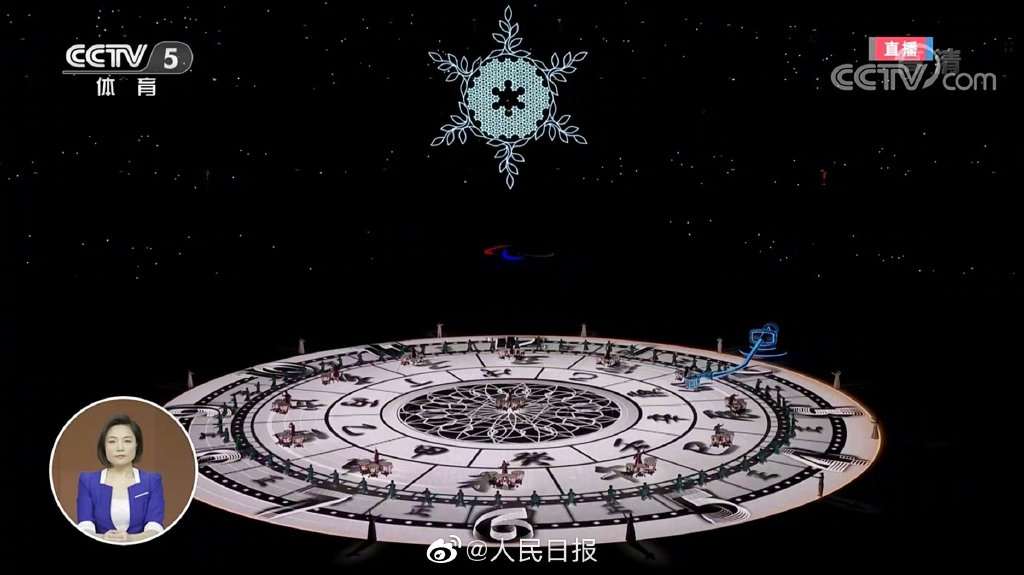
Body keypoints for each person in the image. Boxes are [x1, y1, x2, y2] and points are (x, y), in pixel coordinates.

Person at [76, 415, 165, 542]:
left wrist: (131, 539)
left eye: (127, 441)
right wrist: (103, 538)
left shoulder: (152, 481)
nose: (120, 448)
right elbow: (85, 526)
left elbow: (155, 527)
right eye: (112, 441)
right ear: (104, 446)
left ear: (137, 445)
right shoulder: (88, 481)